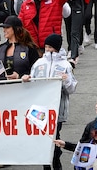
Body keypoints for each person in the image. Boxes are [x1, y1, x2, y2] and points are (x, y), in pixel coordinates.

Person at [23, 33, 77, 170]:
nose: (48, 50)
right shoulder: (39, 63)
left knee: (54, 138)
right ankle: (46, 166)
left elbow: (71, 89)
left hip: (57, 111)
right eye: (46, 46)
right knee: (44, 140)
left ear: (57, 48)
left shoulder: (65, 65)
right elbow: (32, 84)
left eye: (50, 47)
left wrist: (66, 80)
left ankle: (56, 162)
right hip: (41, 110)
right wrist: (27, 80)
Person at [0, 15, 40, 80]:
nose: (4, 30)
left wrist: (19, 76)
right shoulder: (0, 48)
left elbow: (36, 70)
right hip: (4, 88)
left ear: (16, 29)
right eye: (3, 27)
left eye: (7, 27)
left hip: (24, 87)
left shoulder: (29, 48)